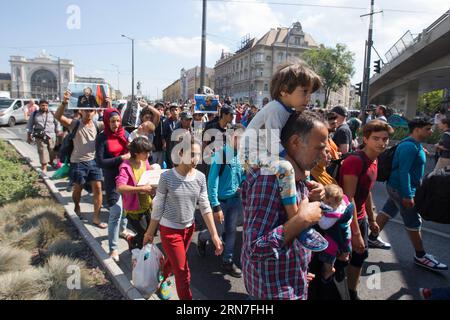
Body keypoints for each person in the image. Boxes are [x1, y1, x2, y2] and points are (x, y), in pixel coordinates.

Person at [240, 62, 327, 252]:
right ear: (284, 91)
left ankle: (304, 201)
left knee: (294, 169)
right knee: (286, 168)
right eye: (304, 92)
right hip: (251, 155)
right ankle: (298, 222)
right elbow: (273, 144)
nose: (308, 98)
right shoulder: (275, 109)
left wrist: (304, 176)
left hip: (262, 152)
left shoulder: (288, 110)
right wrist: (296, 169)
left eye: (310, 93)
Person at [241, 111, 326, 300]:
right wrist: (302, 220)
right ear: (295, 142)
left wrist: (299, 270)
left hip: (291, 280)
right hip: (273, 292)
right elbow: (255, 248)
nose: (323, 155)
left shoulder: (298, 171)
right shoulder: (270, 179)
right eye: (319, 148)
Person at [143, 137, 224, 300]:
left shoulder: (200, 177)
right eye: (192, 154)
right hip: (170, 231)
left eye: (198, 155)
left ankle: (161, 278)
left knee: (173, 263)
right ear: (180, 153)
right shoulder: (167, 177)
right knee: (182, 272)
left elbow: (205, 206)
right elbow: (158, 206)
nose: (196, 159)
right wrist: (150, 233)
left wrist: (214, 235)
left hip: (189, 230)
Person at [368, 117, 448, 271]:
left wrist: (419, 151)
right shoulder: (409, 147)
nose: (430, 131)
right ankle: (420, 255)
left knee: (387, 211)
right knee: (413, 221)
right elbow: (404, 172)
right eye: (427, 129)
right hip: (401, 188)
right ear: (417, 130)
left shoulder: (413, 144)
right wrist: (408, 195)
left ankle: (372, 238)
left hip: (397, 187)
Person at [339, 119, 394, 300]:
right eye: (376, 138)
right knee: (340, 262)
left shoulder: (374, 159)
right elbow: (349, 199)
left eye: (385, 139)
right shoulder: (355, 161)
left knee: (359, 257)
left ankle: (352, 292)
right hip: (344, 220)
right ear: (365, 139)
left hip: (361, 218)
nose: (381, 143)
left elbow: (366, 192)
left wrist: (372, 219)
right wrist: (355, 233)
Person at [198, 124, 245, 278]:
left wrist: (242, 185)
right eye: (238, 137)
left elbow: (241, 176)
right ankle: (202, 237)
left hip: (235, 201)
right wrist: (216, 205)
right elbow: (212, 182)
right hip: (221, 202)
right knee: (218, 232)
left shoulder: (241, 155)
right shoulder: (221, 155)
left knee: (231, 230)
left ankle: (227, 261)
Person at [55, 90, 106, 229]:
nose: (88, 112)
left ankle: (96, 217)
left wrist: (108, 104)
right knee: (78, 189)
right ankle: (77, 206)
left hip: (94, 162)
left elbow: (112, 121)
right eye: (86, 110)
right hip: (78, 162)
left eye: (91, 110)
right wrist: (64, 102)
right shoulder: (74, 124)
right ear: (81, 111)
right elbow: (58, 116)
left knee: (98, 189)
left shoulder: (98, 125)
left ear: (94, 112)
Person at [95, 108, 132, 262]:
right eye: (112, 121)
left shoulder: (125, 134)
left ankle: (123, 230)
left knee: (126, 207)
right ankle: (113, 248)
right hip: (111, 178)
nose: (116, 124)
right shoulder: (102, 137)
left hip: (127, 176)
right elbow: (100, 162)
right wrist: (121, 158)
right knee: (116, 210)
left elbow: (133, 151)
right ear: (106, 122)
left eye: (118, 121)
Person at [116, 137, 155, 250]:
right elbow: (120, 187)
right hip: (134, 210)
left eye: (149, 152)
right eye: (145, 153)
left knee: (151, 232)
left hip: (147, 205)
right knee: (145, 234)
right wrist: (141, 189)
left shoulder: (144, 161)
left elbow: (149, 175)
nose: (148, 155)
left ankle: (134, 242)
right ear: (136, 153)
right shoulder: (125, 167)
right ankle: (134, 245)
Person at [318, 184, 354, 282]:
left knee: (328, 259)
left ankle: (329, 271)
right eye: (323, 200)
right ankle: (345, 254)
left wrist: (320, 216)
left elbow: (323, 225)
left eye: (329, 203)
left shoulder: (334, 216)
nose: (325, 204)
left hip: (332, 241)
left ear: (337, 204)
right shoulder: (345, 206)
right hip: (345, 236)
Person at [26, 99, 60, 173]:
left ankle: (52, 162)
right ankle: (44, 167)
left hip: (51, 136)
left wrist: (58, 133)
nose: (44, 107)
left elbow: (57, 124)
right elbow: (29, 125)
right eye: (43, 105)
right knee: (42, 151)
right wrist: (28, 136)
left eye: (46, 105)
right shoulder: (34, 114)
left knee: (52, 151)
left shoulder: (52, 113)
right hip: (40, 136)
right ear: (39, 106)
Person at [310, 111, 340, 185]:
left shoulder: (322, 172)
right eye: (332, 124)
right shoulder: (311, 178)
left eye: (336, 123)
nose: (335, 126)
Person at [162, 104, 180, 168]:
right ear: (170, 112)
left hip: (181, 145)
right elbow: (163, 135)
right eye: (172, 110)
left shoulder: (182, 120)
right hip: (170, 146)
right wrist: (164, 144)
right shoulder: (166, 122)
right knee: (171, 163)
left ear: (179, 111)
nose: (174, 111)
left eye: (176, 110)